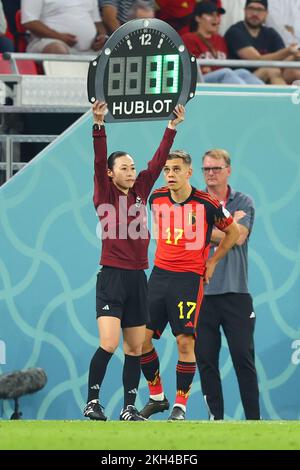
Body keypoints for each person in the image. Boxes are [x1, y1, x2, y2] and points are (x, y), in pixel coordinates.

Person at [83, 101, 185, 421]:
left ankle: (129, 407)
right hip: (112, 277)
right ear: (112, 174)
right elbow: (100, 160)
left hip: (138, 279)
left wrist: (171, 127)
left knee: (134, 349)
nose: (130, 171)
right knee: (109, 343)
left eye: (131, 167)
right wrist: (99, 125)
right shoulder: (104, 192)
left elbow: (156, 164)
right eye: (123, 168)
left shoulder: (141, 188)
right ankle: (93, 402)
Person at [139, 149, 239, 420]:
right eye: (167, 170)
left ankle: (180, 406)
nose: (170, 174)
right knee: (140, 340)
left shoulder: (207, 203)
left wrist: (213, 261)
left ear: (189, 173)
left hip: (188, 279)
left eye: (176, 170)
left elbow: (233, 232)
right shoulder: (156, 198)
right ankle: (157, 397)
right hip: (159, 276)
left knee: (184, 342)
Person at [195, 148, 260, 420]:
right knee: (206, 362)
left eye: (216, 169)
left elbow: (240, 238)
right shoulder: (195, 203)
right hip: (202, 294)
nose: (211, 174)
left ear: (228, 170)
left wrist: (208, 231)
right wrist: (229, 229)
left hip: (236, 294)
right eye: (206, 169)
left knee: (243, 360)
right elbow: (228, 233)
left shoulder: (243, 201)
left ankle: (254, 421)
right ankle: (216, 421)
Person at [182, 1, 263, 85]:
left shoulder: (220, 39)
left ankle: (266, 97)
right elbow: (190, 70)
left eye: (217, 15)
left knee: (243, 72)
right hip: (197, 82)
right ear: (198, 18)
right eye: (210, 14)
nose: (216, 18)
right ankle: (244, 97)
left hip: (219, 79)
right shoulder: (188, 38)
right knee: (226, 73)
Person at [224, 0, 300, 85]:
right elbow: (256, 59)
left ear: (266, 13)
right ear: (244, 10)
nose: (255, 14)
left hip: (266, 77)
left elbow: (282, 59)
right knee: (271, 70)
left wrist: (295, 55)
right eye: (251, 8)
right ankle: (284, 98)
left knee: (295, 72)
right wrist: (287, 51)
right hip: (240, 78)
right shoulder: (235, 31)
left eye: (260, 10)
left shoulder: (270, 33)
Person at [21, 0, 107, 54]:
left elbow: (97, 21)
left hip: (90, 49)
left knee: (111, 52)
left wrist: (103, 37)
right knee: (58, 49)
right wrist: (60, 37)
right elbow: (29, 22)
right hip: (47, 41)